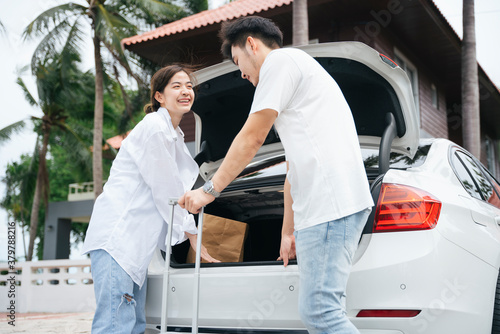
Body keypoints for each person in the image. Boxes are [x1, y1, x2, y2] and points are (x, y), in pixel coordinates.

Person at [179, 16, 374, 334]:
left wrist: (209, 190)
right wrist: (287, 232)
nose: (241, 73)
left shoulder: (279, 63)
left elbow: (252, 137)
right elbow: (292, 173)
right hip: (329, 206)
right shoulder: (298, 72)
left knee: (321, 313)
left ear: (252, 44)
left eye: (239, 61)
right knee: (323, 311)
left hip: (330, 205)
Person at [82, 64, 219, 334]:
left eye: (189, 86)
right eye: (176, 86)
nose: (185, 92)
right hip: (117, 239)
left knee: (134, 325)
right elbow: (167, 188)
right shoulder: (156, 127)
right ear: (159, 96)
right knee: (115, 324)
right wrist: (192, 233)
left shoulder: (174, 133)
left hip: (135, 245)